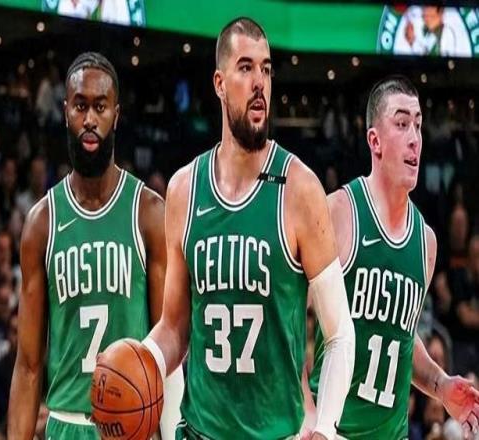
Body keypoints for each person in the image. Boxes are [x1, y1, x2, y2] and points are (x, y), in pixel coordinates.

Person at [143, 17, 355, 440]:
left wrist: (326, 427)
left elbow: (339, 332)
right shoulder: (184, 189)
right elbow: (174, 327)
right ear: (219, 84)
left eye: (266, 69)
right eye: (245, 67)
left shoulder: (299, 188)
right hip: (198, 431)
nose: (260, 82)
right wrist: (141, 358)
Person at [8, 52, 182, 439]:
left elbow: (168, 352)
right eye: (80, 106)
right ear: (65, 112)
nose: (89, 119)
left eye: (100, 107)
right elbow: (28, 365)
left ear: (115, 116)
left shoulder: (148, 213)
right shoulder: (41, 223)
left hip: (133, 427)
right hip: (66, 423)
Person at [309, 75, 479, 439]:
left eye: (417, 124)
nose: (414, 137)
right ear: (375, 141)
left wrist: (440, 384)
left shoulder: (426, 243)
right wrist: (307, 414)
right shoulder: (339, 212)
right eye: (401, 124)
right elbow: (291, 323)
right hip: (333, 431)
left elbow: (400, 338)